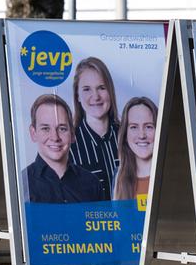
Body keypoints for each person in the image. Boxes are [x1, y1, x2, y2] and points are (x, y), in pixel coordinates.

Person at [23, 94, 104, 203]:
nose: (55, 137)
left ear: (72, 133)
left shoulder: (92, 183)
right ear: (33, 133)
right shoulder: (21, 183)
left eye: (62, 129)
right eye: (46, 128)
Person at [68, 57, 120, 201]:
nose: (95, 96)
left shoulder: (130, 136)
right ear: (77, 96)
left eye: (101, 88)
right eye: (87, 89)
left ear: (110, 91)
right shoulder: (68, 145)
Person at [113, 97, 158, 200]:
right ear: (125, 134)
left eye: (149, 127)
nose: (142, 135)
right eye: (134, 127)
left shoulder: (171, 175)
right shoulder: (118, 176)